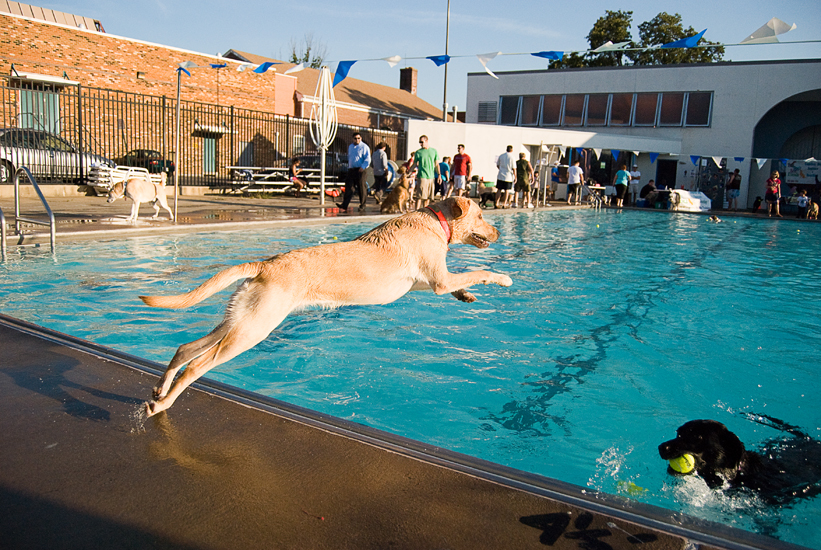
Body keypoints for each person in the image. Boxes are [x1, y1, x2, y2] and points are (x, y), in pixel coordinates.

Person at [338, 132, 371, 211]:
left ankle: (362, 205)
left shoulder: (364, 147)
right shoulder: (351, 147)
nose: (357, 140)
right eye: (355, 138)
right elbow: (350, 158)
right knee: (349, 186)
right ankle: (344, 204)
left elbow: (367, 159)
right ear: (352, 139)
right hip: (352, 169)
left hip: (361, 169)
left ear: (361, 139)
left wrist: (363, 167)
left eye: (358, 138)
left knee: (361, 187)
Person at [408, 135, 439, 210]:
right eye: (420, 142)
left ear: (427, 141)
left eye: (422, 142)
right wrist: (409, 172)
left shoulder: (434, 151)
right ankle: (417, 211)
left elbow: (437, 164)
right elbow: (415, 164)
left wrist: (439, 175)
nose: (421, 144)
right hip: (422, 176)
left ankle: (425, 211)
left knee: (428, 197)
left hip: (431, 177)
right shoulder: (418, 152)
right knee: (420, 196)